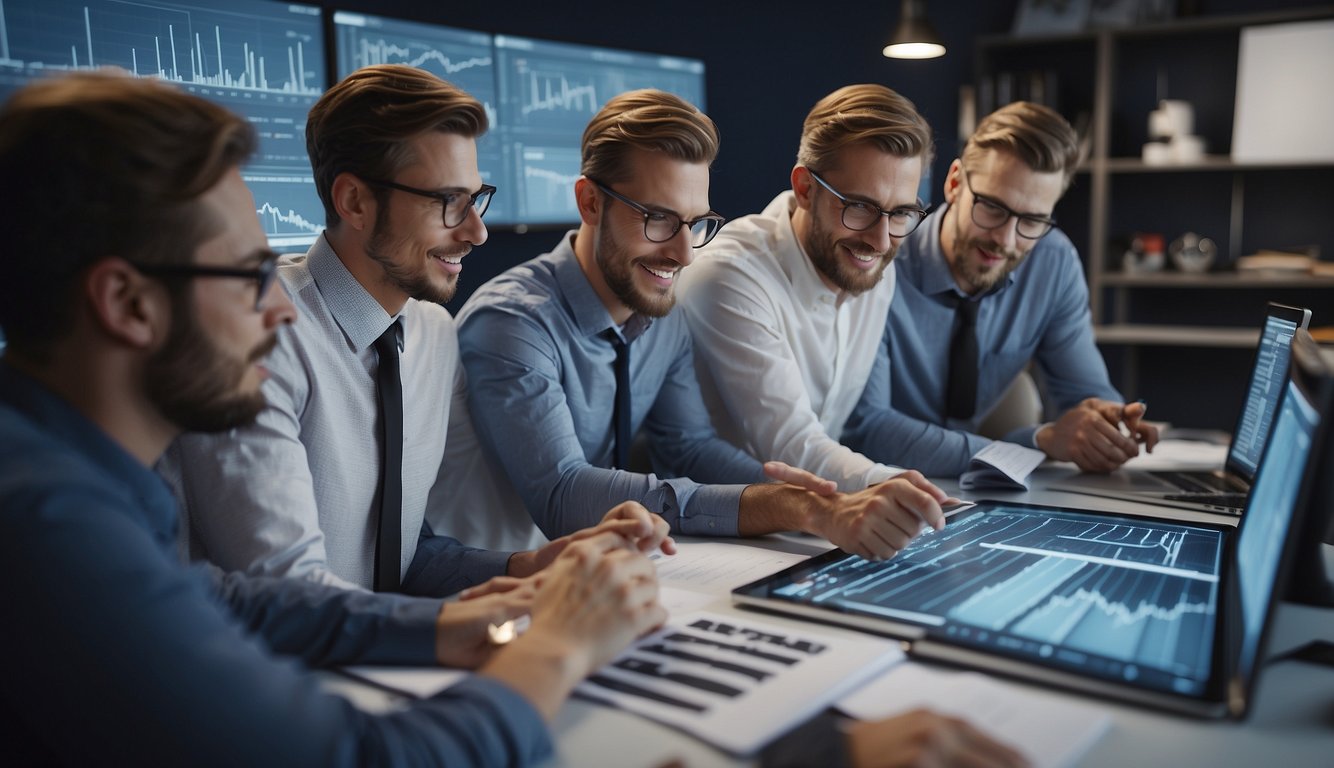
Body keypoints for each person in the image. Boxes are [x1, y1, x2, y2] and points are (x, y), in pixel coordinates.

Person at [0, 70, 665, 765]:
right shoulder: (45, 521)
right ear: (128, 304)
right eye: (246, 274)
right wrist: (557, 647)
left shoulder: (74, 485)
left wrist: (476, 615)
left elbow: (234, 600)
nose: (281, 309)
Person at [161, 64, 669, 595]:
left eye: (476, 198)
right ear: (354, 201)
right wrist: (469, 623)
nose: (476, 231)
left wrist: (531, 567)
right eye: (448, 203)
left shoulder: (431, 331)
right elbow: (291, 594)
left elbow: (400, 555)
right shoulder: (263, 337)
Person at [451, 89, 954, 563]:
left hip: (592, 572)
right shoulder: (513, 321)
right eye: (658, 219)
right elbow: (563, 495)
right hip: (478, 588)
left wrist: (807, 497)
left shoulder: (657, 312)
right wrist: (799, 508)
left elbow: (687, 447)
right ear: (590, 203)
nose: (685, 252)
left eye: (695, 223)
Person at [842, 101, 1159, 475]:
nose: (1006, 241)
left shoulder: (1052, 262)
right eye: (992, 208)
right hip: (877, 483)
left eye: (1032, 220)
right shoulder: (880, 258)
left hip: (979, 493)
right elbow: (867, 430)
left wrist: (1107, 424)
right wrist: (1033, 444)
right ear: (955, 182)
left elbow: (1085, 395)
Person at [676, 84, 935, 493]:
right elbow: (791, 446)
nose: (882, 241)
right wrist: (898, 487)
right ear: (805, 189)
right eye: (860, 208)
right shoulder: (728, 275)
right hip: (716, 530)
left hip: (815, 517)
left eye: (901, 212)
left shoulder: (873, 265)